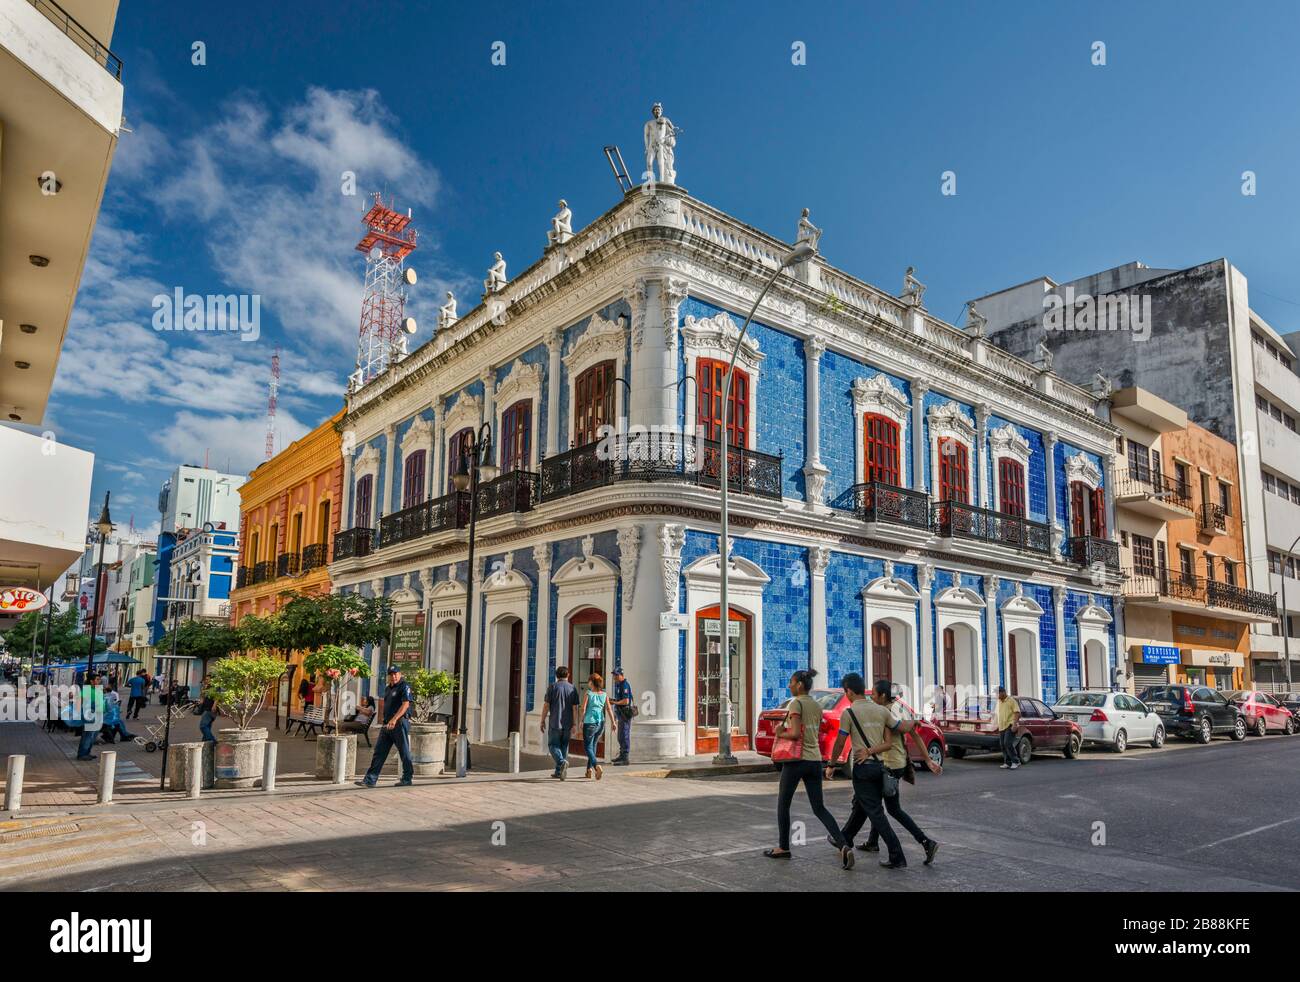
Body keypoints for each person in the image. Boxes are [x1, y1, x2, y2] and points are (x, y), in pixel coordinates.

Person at [829, 676, 940, 869]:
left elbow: (841, 742)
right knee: (866, 805)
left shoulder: (853, 713)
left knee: (876, 810)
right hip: (883, 765)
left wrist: (831, 764)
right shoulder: (883, 711)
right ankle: (849, 839)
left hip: (880, 767)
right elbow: (902, 730)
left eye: (876, 693)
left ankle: (898, 852)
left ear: (849, 691)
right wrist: (915, 723)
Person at [764, 669, 853, 868]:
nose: (789, 685)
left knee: (783, 804)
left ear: (799, 685)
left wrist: (780, 732)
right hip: (814, 760)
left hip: (796, 760)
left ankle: (783, 847)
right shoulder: (816, 704)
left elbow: (795, 733)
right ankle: (843, 845)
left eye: (791, 682)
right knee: (819, 807)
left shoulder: (796, 703)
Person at [356, 665, 414, 788]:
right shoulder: (388, 689)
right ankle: (370, 780)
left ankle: (407, 778)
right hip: (387, 725)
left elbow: (405, 705)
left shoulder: (404, 686)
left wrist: (394, 719)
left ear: (400, 674)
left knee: (404, 752)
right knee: (379, 752)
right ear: (388, 676)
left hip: (399, 723)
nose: (394, 676)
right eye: (391, 674)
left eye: (396, 674)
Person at [540, 666, 579, 780]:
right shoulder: (572, 688)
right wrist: (574, 723)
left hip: (555, 722)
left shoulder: (552, 687)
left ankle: (561, 763)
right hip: (567, 723)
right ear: (568, 675)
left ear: (557, 676)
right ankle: (559, 771)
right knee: (564, 746)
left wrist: (542, 720)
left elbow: (546, 705)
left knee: (552, 745)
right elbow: (575, 708)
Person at [577, 673, 616, 780]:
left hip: (589, 722)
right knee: (593, 746)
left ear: (592, 682)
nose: (588, 683)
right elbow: (608, 709)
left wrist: (581, 721)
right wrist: (613, 722)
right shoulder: (604, 694)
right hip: (600, 723)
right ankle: (588, 771)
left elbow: (583, 709)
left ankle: (595, 766)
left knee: (587, 747)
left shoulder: (588, 694)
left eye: (589, 681)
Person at [75, 673, 105, 761]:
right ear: (91, 681)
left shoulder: (98, 689)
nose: (99, 681)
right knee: (87, 735)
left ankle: (87, 752)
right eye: (97, 679)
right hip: (90, 716)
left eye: (99, 679)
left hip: (98, 715)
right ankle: (82, 754)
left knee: (93, 736)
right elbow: (79, 702)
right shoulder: (87, 690)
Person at [611, 667, 633, 765]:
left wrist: (615, 702)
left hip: (625, 714)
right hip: (620, 714)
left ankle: (625, 758)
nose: (614, 677)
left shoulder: (624, 685)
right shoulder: (618, 685)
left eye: (616, 675)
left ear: (621, 675)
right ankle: (621, 755)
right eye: (614, 675)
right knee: (620, 736)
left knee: (624, 735)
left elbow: (626, 701)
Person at [996, 686, 1021, 769]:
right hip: (1001, 726)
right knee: (1002, 745)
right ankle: (1007, 762)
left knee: (1007, 743)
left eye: (998, 693)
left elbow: (1017, 712)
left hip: (1010, 725)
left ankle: (1016, 761)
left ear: (1003, 692)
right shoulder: (999, 702)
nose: (997, 695)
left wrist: (1014, 724)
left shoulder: (1011, 701)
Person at [197, 677, 218, 743]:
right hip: (205, 708)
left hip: (210, 709)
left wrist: (214, 705)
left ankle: (213, 741)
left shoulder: (214, 687)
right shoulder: (205, 688)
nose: (206, 681)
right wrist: (202, 691)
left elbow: (217, 697)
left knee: (203, 726)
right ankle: (205, 742)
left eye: (207, 679)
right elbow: (202, 700)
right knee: (207, 726)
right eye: (205, 679)